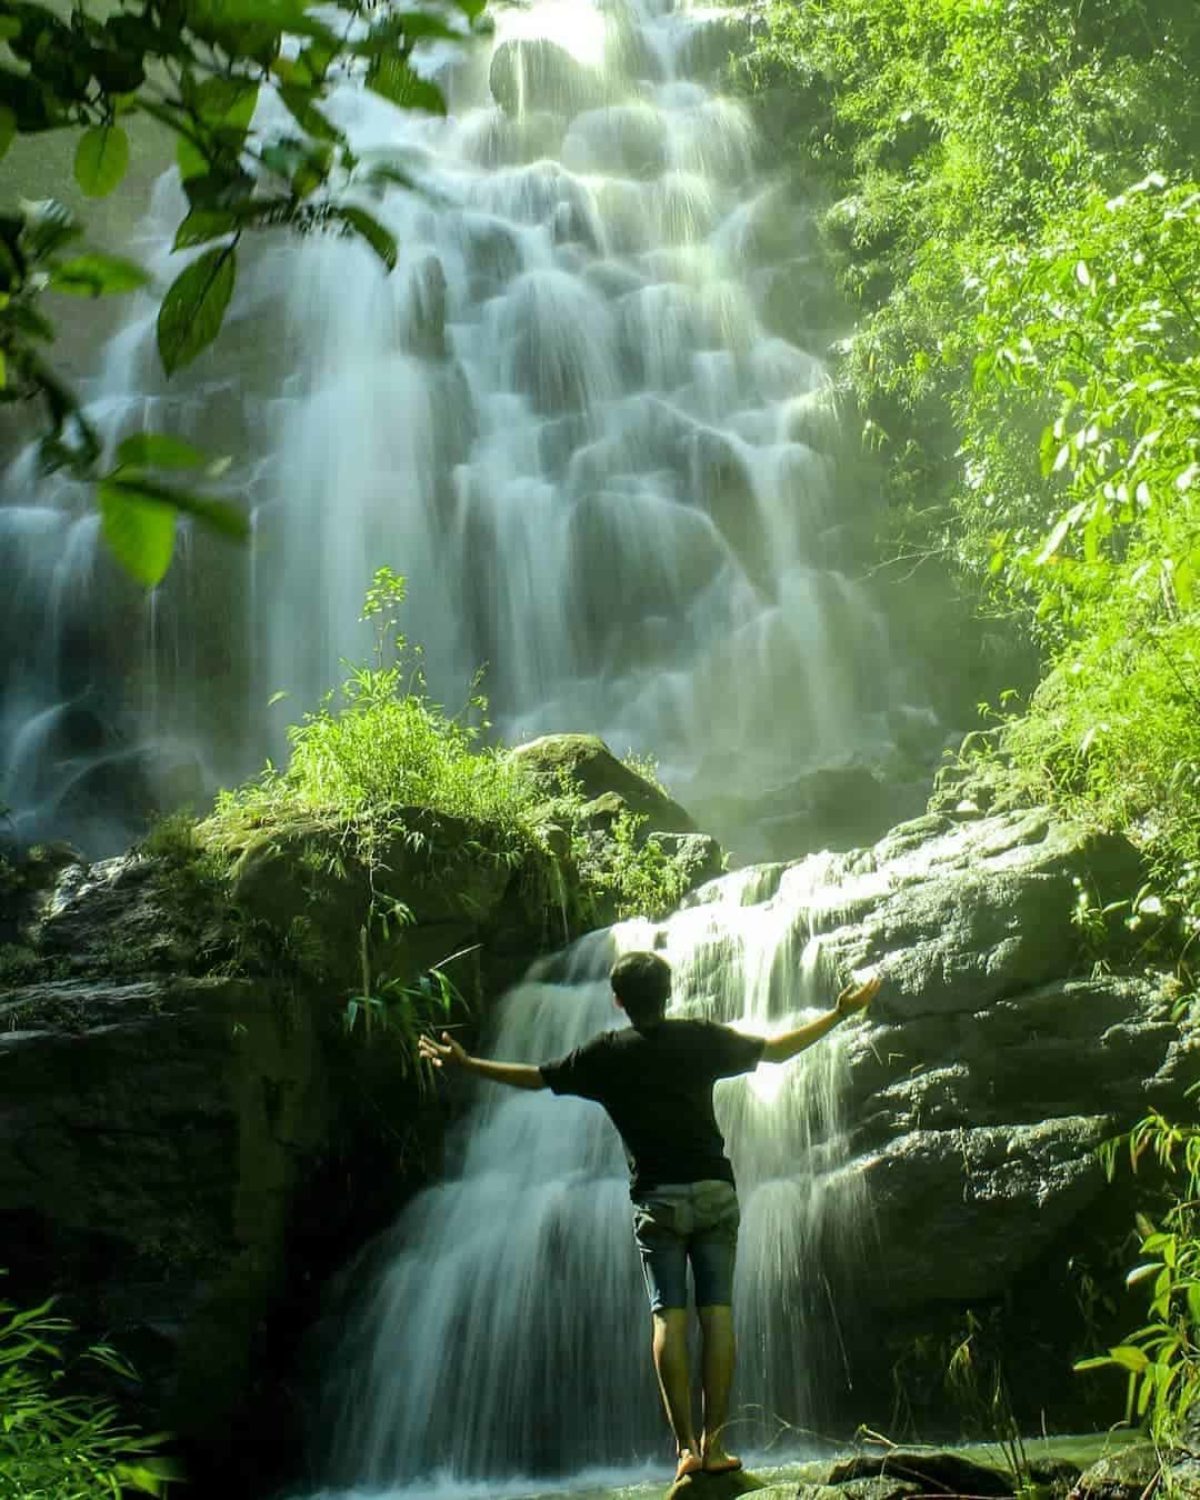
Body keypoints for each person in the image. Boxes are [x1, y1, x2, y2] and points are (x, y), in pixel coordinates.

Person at [418, 950, 880, 1482]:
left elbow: (539, 1077)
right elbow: (775, 1051)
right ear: (669, 992)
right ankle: (717, 1443)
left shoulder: (606, 1054)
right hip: (713, 1191)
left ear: (617, 1001)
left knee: (668, 1317)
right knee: (719, 1315)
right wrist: (840, 1013)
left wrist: (469, 1064)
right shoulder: (699, 1036)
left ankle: (683, 1449)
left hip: (656, 1199)